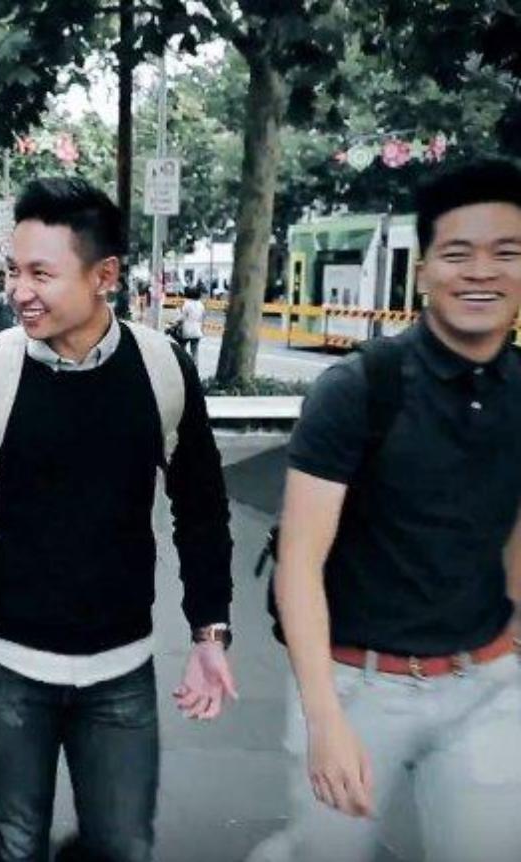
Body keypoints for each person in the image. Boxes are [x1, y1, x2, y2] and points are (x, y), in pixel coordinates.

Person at [0, 178, 236, 862]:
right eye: (11, 271)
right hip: (8, 667)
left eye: (40, 273)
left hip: (122, 670)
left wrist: (210, 631)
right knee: (17, 844)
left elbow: (201, 508)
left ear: (104, 276)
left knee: (123, 845)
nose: (18, 291)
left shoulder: (161, 371)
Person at [248, 158, 521, 862]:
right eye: (458, 253)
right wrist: (324, 717)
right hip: (357, 685)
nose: (481, 272)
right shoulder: (359, 388)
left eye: (506, 253)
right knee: (326, 850)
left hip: (487, 685)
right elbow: (300, 563)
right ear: (425, 267)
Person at [178, 285, 206, 362]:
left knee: (181, 349)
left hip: (187, 331)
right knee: (195, 352)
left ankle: (183, 365)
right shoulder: (201, 305)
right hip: (197, 331)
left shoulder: (187, 303)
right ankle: (195, 369)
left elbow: (181, 318)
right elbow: (203, 317)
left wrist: (174, 323)